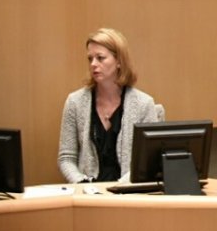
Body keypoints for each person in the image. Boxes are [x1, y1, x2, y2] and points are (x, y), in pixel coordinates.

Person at [58, 28, 160, 183]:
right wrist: (81, 182)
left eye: (100, 58)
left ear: (119, 61)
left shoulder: (144, 104)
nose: (93, 64)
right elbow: (66, 158)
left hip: (128, 195)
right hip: (87, 194)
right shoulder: (75, 102)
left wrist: (121, 186)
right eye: (90, 59)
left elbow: (148, 161)